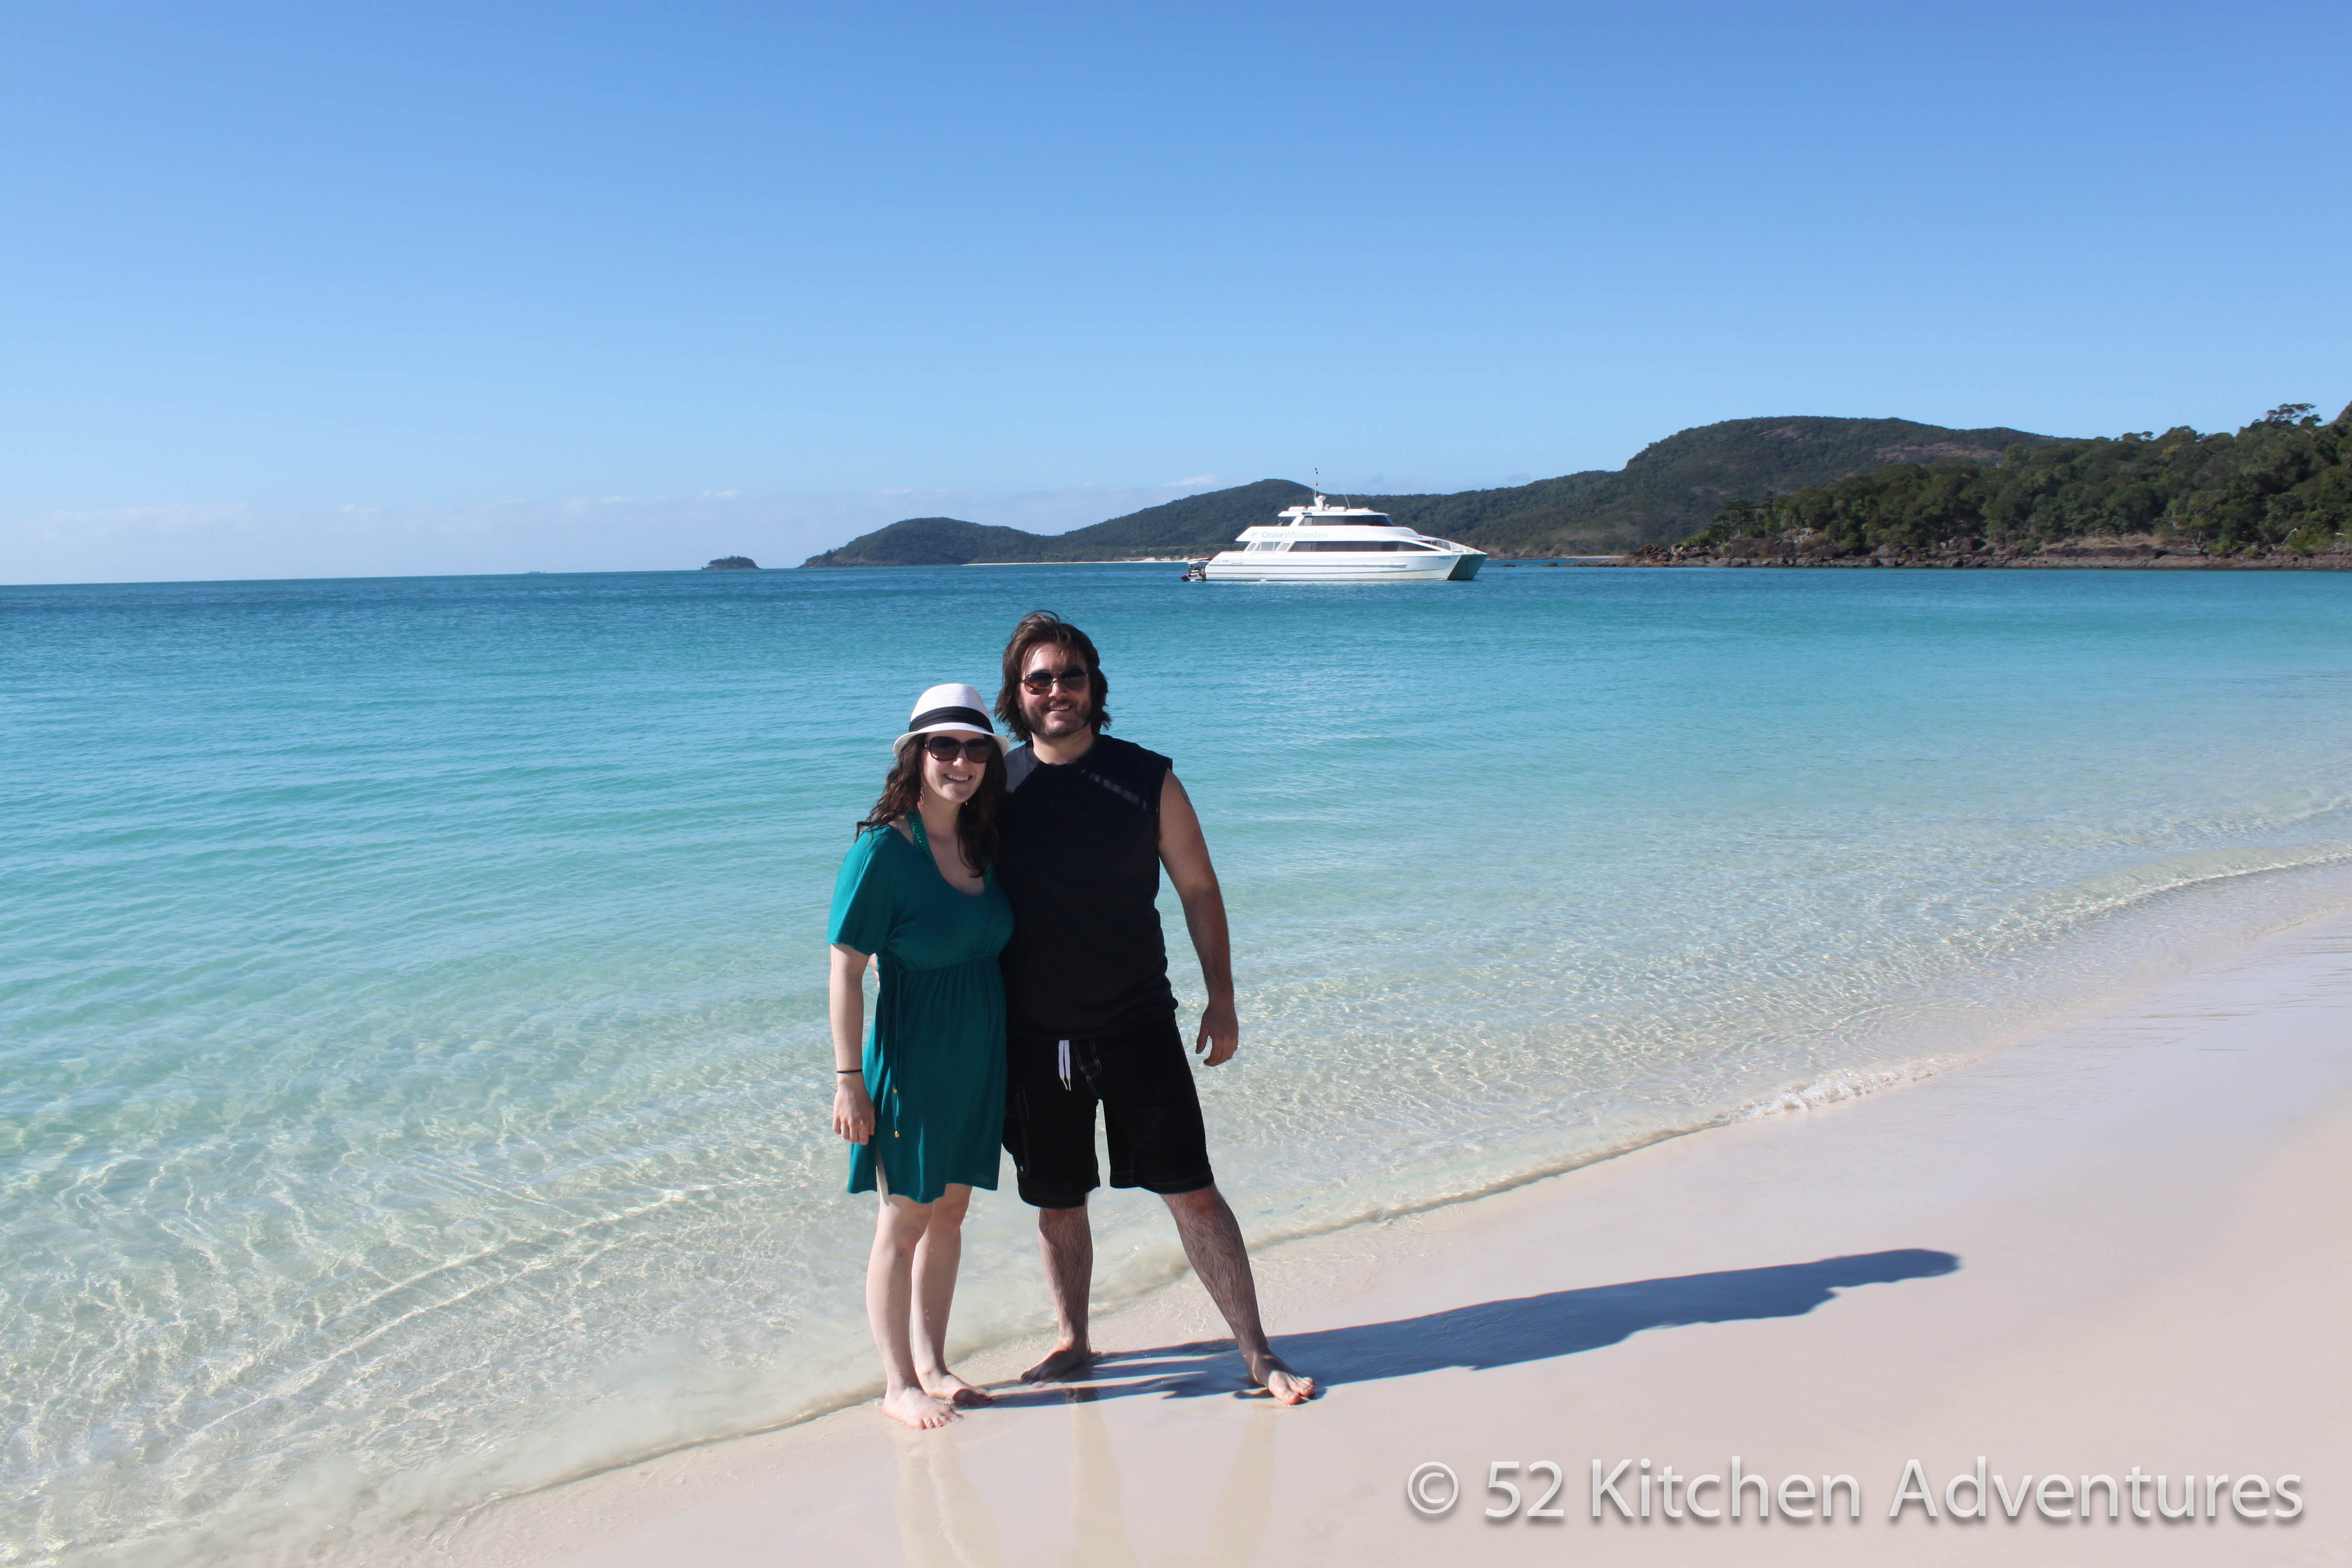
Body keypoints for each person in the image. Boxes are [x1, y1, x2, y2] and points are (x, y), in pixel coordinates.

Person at [991, 613, 1315, 1405]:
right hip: (1035, 1037)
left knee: (1193, 1190)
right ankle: (1074, 1340)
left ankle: (1257, 1351)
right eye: (1040, 680)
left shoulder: (1147, 777)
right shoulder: (994, 787)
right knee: (1057, 1200)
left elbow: (1199, 889)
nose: (1058, 691)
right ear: (1017, 694)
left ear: (1095, 686)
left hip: (1138, 1023)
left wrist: (1224, 999)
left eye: (1072, 676)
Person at [828, 683, 1015, 1429]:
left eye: (975, 748)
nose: (961, 762)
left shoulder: (984, 839)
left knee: (953, 1212)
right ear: (916, 755)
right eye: (944, 747)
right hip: (911, 1057)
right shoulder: (882, 851)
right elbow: (845, 968)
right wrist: (849, 1081)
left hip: (977, 1053)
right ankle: (896, 1383)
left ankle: (935, 1365)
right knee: (903, 1219)